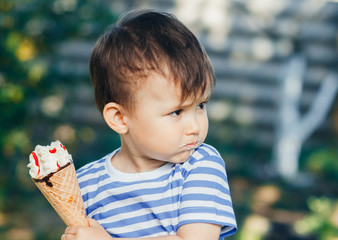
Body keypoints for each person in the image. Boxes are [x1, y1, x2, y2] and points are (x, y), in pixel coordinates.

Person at [62, 10, 237, 240]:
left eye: (201, 105)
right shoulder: (85, 186)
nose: (194, 126)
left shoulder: (200, 166)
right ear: (120, 118)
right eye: (176, 111)